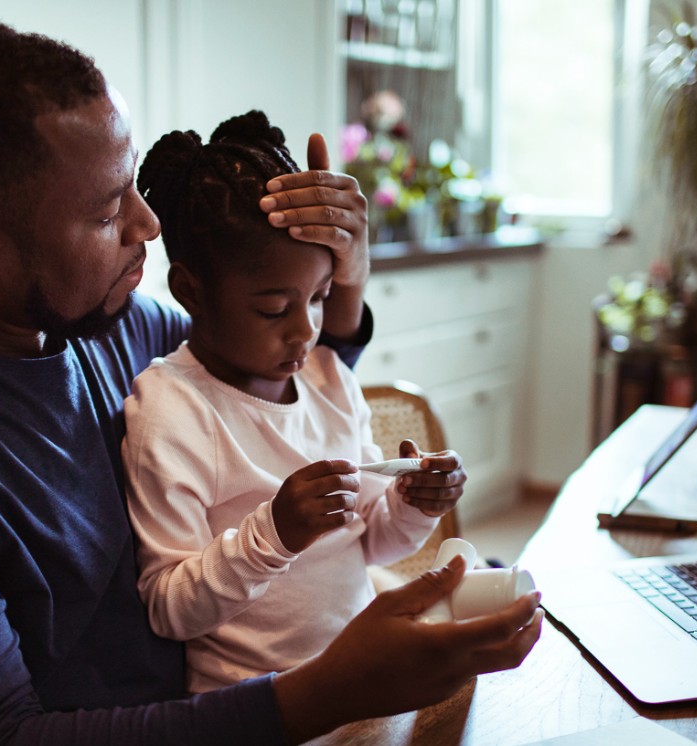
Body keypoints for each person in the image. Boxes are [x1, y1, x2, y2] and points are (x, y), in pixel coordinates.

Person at [0, 23, 541, 745]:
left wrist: (344, 277)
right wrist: (323, 693)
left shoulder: (113, 324)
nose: (147, 224)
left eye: (133, 184)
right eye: (108, 212)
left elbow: (269, 391)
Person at [125, 111, 463, 693]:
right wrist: (274, 534)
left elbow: (372, 545)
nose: (306, 331)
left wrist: (414, 505)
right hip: (259, 707)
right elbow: (169, 609)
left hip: (362, 678)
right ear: (190, 291)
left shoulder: (329, 378)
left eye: (319, 298)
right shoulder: (172, 410)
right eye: (274, 309)